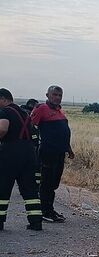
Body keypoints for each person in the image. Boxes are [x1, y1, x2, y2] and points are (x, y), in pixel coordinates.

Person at [0, 88, 43, 231]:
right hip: (29, 152)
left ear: (3, 99)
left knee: (3, 187)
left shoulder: (5, 111)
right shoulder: (24, 114)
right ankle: (36, 222)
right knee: (30, 189)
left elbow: (3, 129)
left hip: (10, 152)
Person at [30, 85, 73, 223]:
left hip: (60, 153)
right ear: (47, 95)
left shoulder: (59, 111)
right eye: (54, 94)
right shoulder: (42, 108)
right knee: (47, 182)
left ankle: (50, 209)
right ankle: (44, 211)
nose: (57, 97)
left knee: (54, 183)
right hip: (48, 152)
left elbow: (64, 132)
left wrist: (69, 149)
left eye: (60, 95)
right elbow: (30, 126)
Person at [21, 98, 41, 188]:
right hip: (30, 143)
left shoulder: (21, 112)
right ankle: (35, 184)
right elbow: (32, 129)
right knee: (35, 164)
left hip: (19, 143)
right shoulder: (29, 115)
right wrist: (36, 140)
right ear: (32, 106)